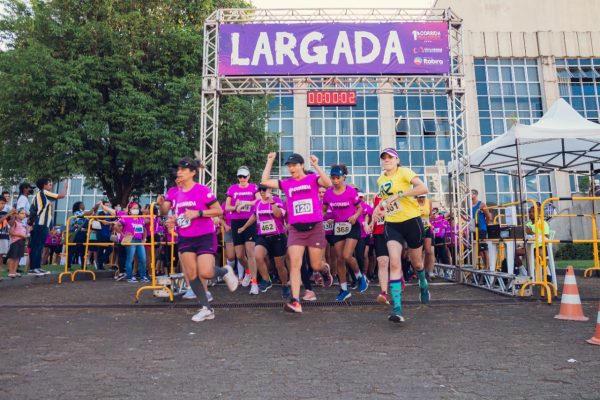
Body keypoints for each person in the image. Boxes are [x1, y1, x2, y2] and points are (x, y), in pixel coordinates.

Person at [162, 158, 238, 322]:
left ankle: (225, 271)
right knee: (191, 273)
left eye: (183, 169)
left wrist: (198, 213)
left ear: (193, 172)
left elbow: (218, 211)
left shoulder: (202, 190)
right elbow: (180, 215)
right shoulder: (176, 193)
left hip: (204, 236)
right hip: (185, 238)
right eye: (178, 169)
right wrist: (174, 220)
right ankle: (206, 308)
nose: (179, 172)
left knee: (205, 272)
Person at [261, 152, 332, 313]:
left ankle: (324, 269)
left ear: (301, 165)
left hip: (314, 227)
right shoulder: (287, 183)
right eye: (289, 165)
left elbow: (327, 183)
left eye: (294, 165)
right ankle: (295, 300)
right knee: (294, 263)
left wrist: (315, 165)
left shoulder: (312, 178)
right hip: (295, 229)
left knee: (315, 264)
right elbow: (264, 181)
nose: (291, 168)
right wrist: (270, 161)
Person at [372, 148, 429, 323]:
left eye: (390, 157)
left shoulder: (405, 172)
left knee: (417, 261)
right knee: (394, 262)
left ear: (397, 160)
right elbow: (384, 200)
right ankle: (397, 308)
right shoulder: (380, 179)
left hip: (412, 221)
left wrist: (400, 195)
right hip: (392, 224)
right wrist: (377, 211)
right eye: (384, 158)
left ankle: (423, 283)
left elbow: (423, 188)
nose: (387, 160)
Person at [322, 164, 368, 301]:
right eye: (333, 178)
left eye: (338, 178)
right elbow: (324, 210)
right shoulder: (328, 193)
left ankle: (360, 277)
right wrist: (325, 217)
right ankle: (344, 289)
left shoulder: (350, 191)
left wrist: (355, 216)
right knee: (340, 258)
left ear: (343, 178)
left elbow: (359, 208)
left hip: (352, 225)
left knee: (347, 255)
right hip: (338, 227)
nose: (335, 180)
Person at [238, 185, 289, 297]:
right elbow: (254, 216)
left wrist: (272, 202)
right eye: (259, 190)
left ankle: (285, 285)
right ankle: (266, 279)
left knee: (279, 265)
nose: (261, 192)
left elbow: (278, 214)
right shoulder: (258, 203)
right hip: (263, 236)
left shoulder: (277, 200)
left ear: (270, 190)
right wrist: (244, 227)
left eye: (264, 190)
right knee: (257, 256)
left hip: (277, 236)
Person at [225, 166, 260, 294]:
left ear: (249, 177)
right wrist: (236, 207)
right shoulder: (232, 188)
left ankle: (254, 283)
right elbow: (227, 207)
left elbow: (258, 200)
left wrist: (246, 203)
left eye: (244, 176)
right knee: (239, 255)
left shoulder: (253, 187)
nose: (242, 179)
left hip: (250, 221)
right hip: (236, 222)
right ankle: (248, 271)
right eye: (240, 176)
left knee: (250, 253)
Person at [29, 178, 68, 275]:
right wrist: (66, 188)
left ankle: (36, 267)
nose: (51, 185)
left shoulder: (39, 195)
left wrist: (50, 227)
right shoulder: (44, 193)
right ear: (44, 185)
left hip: (41, 224)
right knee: (37, 247)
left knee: (39, 247)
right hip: (40, 223)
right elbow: (61, 196)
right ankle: (33, 268)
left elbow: (48, 214)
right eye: (49, 184)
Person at [102, 201, 149, 282]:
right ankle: (130, 277)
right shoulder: (126, 218)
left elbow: (144, 229)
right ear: (130, 210)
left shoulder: (141, 218)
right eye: (134, 208)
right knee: (130, 259)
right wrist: (123, 235)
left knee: (143, 259)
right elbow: (116, 225)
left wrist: (144, 238)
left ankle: (143, 276)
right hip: (131, 240)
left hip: (139, 241)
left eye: (137, 208)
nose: (136, 210)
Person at [371, 195, 390, 305]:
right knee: (382, 262)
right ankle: (384, 293)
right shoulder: (376, 197)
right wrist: (371, 224)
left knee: (394, 262)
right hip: (379, 233)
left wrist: (386, 214)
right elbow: (375, 214)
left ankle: (399, 277)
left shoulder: (399, 193)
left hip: (394, 231)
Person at [416, 194, 435, 280]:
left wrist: (431, 216)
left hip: (427, 227)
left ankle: (427, 272)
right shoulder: (414, 203)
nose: (422, 198)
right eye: (421, 197)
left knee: (428, 251)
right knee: (418, 253)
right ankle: (420, 273)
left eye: (423, 197)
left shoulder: (429, 202)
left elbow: (430, 215)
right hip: (417, 228)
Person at [471, 189, 491, 268]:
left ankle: (487, 267)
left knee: (484, 248)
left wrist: (484, 225)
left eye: (471, 194)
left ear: (475, 195)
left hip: (481, 228)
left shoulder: (481, 204)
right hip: (473, 229)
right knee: (478, 249)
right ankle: (480, 266)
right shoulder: (468, 205)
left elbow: (488, 216)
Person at [6, 208, 28, 278]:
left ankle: (14, 271)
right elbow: (11, 232)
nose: (24, 215)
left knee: (18, 257)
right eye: (22, 213)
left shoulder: (23, 224)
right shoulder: (14, 222)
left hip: (21, 241)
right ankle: (11, 271)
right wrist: (20, 235)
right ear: (17, 214)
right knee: (13, 257)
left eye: (24, 213)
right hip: (15, 242)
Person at [0, 197, 11, 273]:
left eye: (4, 203)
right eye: (1, 203)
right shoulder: (6, 214)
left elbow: (11, 223)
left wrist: (13, 215)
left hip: (4, 234)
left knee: (1, 254)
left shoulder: (5, 213)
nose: (3, 205)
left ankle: (0, 267)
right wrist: (9, 214)